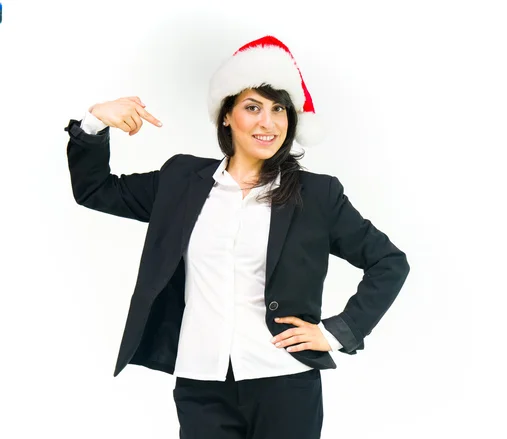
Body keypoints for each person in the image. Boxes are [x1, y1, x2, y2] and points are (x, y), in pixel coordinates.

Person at [64, 35, 410, 439]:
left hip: (285, 381)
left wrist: (336, 332)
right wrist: (94, 123)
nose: (268, 122)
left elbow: (389, 262)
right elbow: (95, 191)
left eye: (279, 109)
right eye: (252, 107)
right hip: (201, 384)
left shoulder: (317, 195)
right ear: (226, 115)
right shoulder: (182, 181)